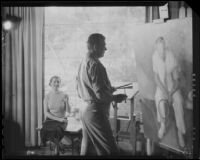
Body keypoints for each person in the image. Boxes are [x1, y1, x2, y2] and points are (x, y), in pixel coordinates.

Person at [76, 33, 127, 155]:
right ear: (94, 46)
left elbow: (83, 89)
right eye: (103, 45)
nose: (106, 48)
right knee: (111, 150)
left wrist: (109, 89)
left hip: (85, 109)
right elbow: (100, 95)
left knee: (87, 148)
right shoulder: (96, 65)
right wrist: (115, 97)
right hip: (95, 112)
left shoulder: (84, 61)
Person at [152, 37, 186, 148]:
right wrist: (165, 93)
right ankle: (163, 126)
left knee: (179, 101)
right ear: (156, 48)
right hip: (162, 87)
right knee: (158, 97)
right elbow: (157, 78)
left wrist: (170, 94)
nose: (161, 51)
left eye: (163, 47)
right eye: (159, 49)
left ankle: (180, 131)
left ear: (165, 46)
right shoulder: (154, 56)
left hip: (173, 86)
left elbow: (177, 80)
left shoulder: (171, 56)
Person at [40, 76, 72, 154]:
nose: (56, 83)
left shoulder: (64, 95)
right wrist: (59, 119)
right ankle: (60, 145)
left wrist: (67, 102)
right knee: (43, 130)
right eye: (54, 82)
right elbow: (46, 112)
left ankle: (56, 150)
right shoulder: (47, 96)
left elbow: (68, 111)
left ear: (60, 84)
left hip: (62, 119)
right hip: (50, 119)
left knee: (56, 130)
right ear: (50, 83)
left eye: (58, 82)